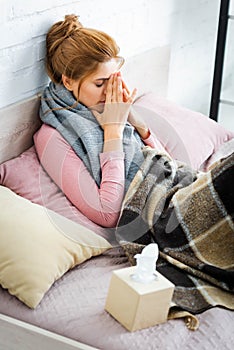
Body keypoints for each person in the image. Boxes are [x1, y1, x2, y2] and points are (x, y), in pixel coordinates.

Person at [34, 14, 165, 228]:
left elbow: (169, 165)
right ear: (68, 81)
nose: (109, 91)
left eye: (113, 81)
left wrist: (130, 114)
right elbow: (107, 214)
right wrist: (113, 132)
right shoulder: (52, 137)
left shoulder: (111, 111)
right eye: (99, 84)